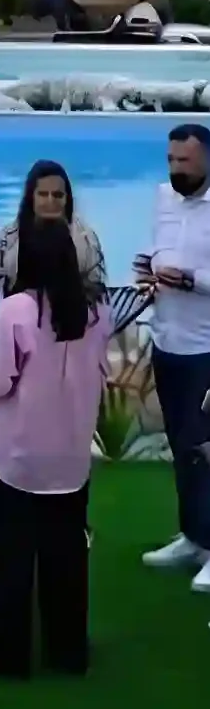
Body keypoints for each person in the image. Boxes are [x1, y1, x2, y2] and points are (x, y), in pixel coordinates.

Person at [0, 219, 109, 677]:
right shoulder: (96, 312)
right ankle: (68, 651)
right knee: (67, 554)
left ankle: (7, 653)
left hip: (19, 455)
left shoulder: (15, 311)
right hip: (70, 455)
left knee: (11, 557)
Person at [135, 123, 210, 591]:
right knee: (183, 448)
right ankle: (193, 536)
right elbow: (155, 249)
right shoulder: (163, 198)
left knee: (206, 449)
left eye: (185, 161)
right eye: (171, 160)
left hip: (206, 347)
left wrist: (189, 280)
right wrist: (146, 269)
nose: (176, 169)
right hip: (167, 341)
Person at [0, 160, 107, 296]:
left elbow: (96, 292)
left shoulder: (87, 241)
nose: (50, 201)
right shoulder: (7, 239)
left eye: (58, 195)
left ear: (67, 199)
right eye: (43, 194)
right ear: (31, 198)